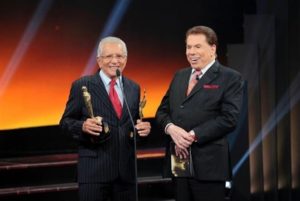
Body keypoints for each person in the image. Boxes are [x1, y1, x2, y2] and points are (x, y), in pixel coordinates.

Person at [155, 25, 243, 201]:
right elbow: (162, 112)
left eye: (197, 46)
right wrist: (171, 129)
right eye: (188, 47)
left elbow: (229, 119)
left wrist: (192, 136)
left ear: (212, 48)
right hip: (179, 164)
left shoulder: (230, 77)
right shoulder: (179, 76)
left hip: (209, 166)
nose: (191, 52)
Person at [60, 36, 151, 201]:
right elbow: (65, 123)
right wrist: (82, 126)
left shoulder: (133, 88)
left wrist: (142, 131)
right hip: (94, 173)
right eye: (109, 56)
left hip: (126, 175)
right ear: (99, 60)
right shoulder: (82, 85)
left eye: (119, 56)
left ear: (126, 59)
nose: (115, 61)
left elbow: (132, 125)